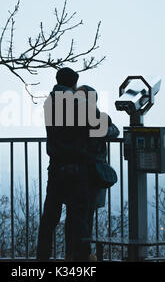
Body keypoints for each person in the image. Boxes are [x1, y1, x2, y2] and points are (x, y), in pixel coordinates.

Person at [36, 67, 94, 261]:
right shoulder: (80, 103)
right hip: (77, 165)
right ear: (73, 83)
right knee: (78, 216)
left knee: (50, 217)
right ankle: (79, 257)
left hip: (56, 165)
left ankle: (42, 257)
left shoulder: (49, 102)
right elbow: (97, 127)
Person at [64, 85, 120, 261]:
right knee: (86, 215)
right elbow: (113, 131)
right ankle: (85, 254)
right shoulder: (95, 117)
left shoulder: (69, 116)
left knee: (73, 215)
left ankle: (71, 253)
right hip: (92, 173)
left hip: (72, 172)